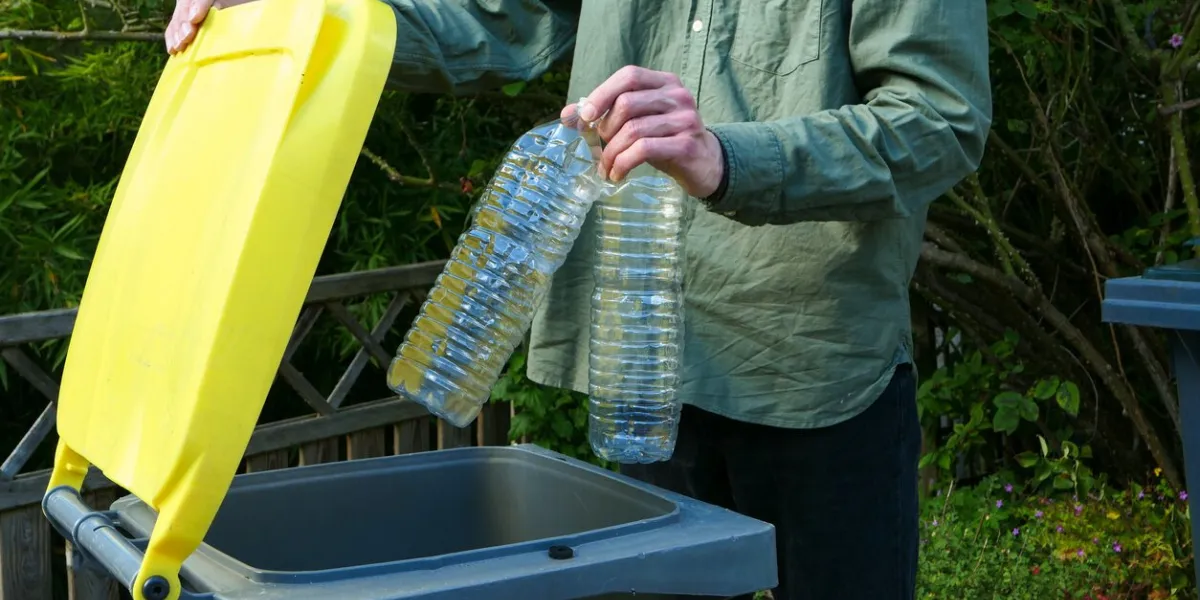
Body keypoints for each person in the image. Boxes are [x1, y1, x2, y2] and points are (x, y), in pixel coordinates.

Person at [168, 1, 992, 598]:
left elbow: (939, 121)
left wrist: (728, 157)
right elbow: (508, 22)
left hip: (811, 367)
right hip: (641, 370)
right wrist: (312, 12)